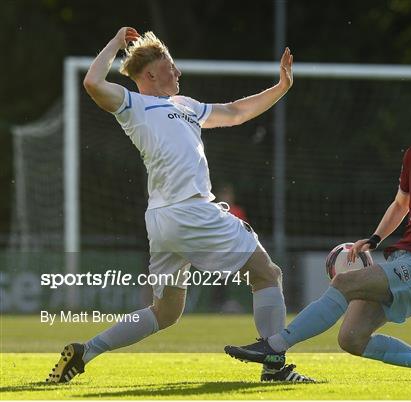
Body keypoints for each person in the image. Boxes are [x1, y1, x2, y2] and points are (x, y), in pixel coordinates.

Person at [47, 27, 313, 383]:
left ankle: (86, 351)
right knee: (267, 274)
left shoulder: (185, 106)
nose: (179, 73)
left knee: (166, 312)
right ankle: (275, 366)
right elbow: (93, 83)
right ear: (152, 73)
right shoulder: (133, 105)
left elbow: (234, 113)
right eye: (171, 66)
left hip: (162, 220)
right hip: (190, 211)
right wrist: (114, 43)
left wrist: (281, 87)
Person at [225, 97, 411, 381]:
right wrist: (374, 238)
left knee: (344, 282)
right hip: (401, 259)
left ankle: (274, 347)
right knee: (351, 339)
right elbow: (400, 204)